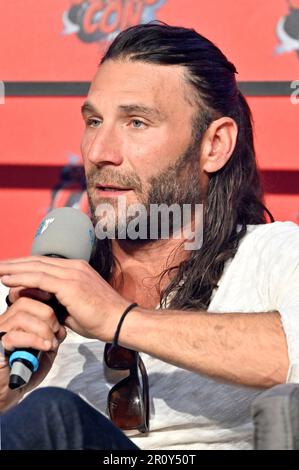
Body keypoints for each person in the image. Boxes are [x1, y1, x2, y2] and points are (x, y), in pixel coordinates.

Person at [0, 22, 299, 450]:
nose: (100, 151)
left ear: (214, 145)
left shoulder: (276, 256)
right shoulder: (37, 289)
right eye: (94, 121)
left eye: (136, 122)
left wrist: (120, 320)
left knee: (54, 415)